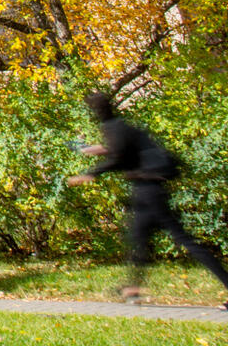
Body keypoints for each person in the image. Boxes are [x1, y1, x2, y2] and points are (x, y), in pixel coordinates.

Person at [68, 92, 228, 310]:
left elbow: (119, 158)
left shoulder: (112, 127)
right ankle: (132, 289)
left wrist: (92, 173)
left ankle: (133, 288)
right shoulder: (123, 126)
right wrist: (99, 150)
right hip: (148, 190)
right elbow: (125, 151)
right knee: (138, 238)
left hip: (149, 191)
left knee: (181, 241)